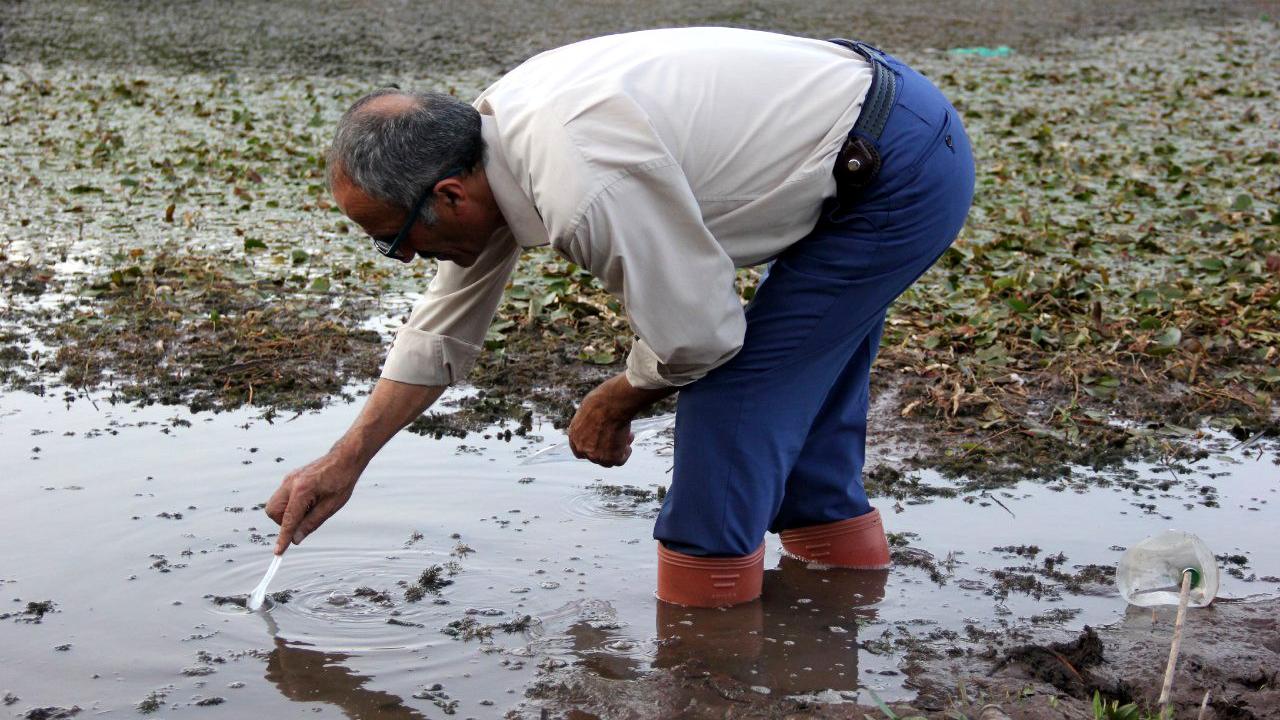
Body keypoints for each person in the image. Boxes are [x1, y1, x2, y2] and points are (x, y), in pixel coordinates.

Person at [265, 26, 974, 607]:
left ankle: (707, 665)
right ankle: (838, 611)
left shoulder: (580, 183)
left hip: (894, 166)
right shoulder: (487, 142)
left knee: (732, 401)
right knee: (805, 424)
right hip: (874, 127)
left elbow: (699, 338)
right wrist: (344, 461)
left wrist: (616, 398)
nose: (402, 257)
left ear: (448, 196)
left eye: (392, 238)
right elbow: (440, 330)